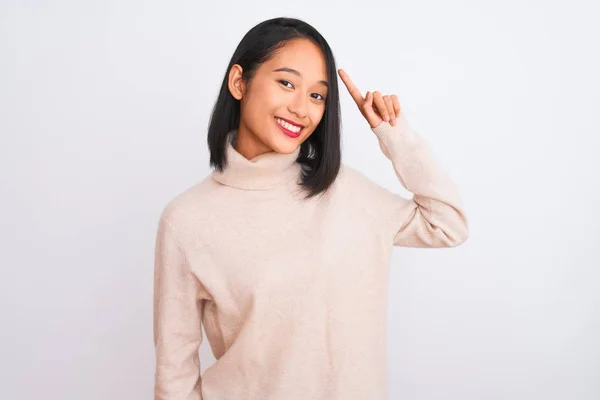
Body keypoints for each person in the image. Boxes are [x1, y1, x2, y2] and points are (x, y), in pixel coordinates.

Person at [153, 16, 468, 400]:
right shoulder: (186, 220)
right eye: (286, 83)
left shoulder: (344, 192)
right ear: (239, 82)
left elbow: (447, 224)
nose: (302, 109)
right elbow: (175, 376)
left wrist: (393, 135)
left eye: (317, 95)